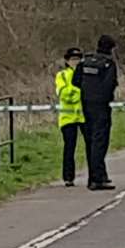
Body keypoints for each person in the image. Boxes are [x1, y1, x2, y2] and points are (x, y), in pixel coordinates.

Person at [73, 34, 118, 191]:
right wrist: (102, 97)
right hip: (101, 106)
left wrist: (88, 92)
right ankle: (97, 179)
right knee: (100, 142)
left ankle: (94, 176)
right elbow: (110, 84)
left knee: (90, 141)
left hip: (86, 104)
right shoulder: (107, 64)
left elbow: (75, 81)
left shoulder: (85, 61)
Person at [54, 46, 85, 186]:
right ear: (67, 61)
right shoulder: (61, 75)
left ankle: (94, 174)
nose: (76, 62)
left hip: (84, 116)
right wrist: (77, 91)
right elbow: (63, 94)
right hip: (67, 117)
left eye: (78, 59)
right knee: (69, 147)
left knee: (91, 146)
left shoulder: (85, 73)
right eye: (73, 59)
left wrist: (73, 91)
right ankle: (68, 177)